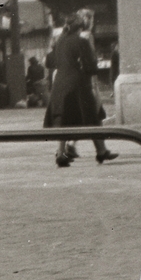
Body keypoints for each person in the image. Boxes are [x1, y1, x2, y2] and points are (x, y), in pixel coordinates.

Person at [44, 15, 115, 167]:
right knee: (93, 116)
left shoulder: (60, 41)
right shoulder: (82, 41)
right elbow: (90, 66)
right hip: (78, 85)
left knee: (63, 119)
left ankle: (61, 153)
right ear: (81, 27)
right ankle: (101, 151)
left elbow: (49, 62)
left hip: (59, 86)